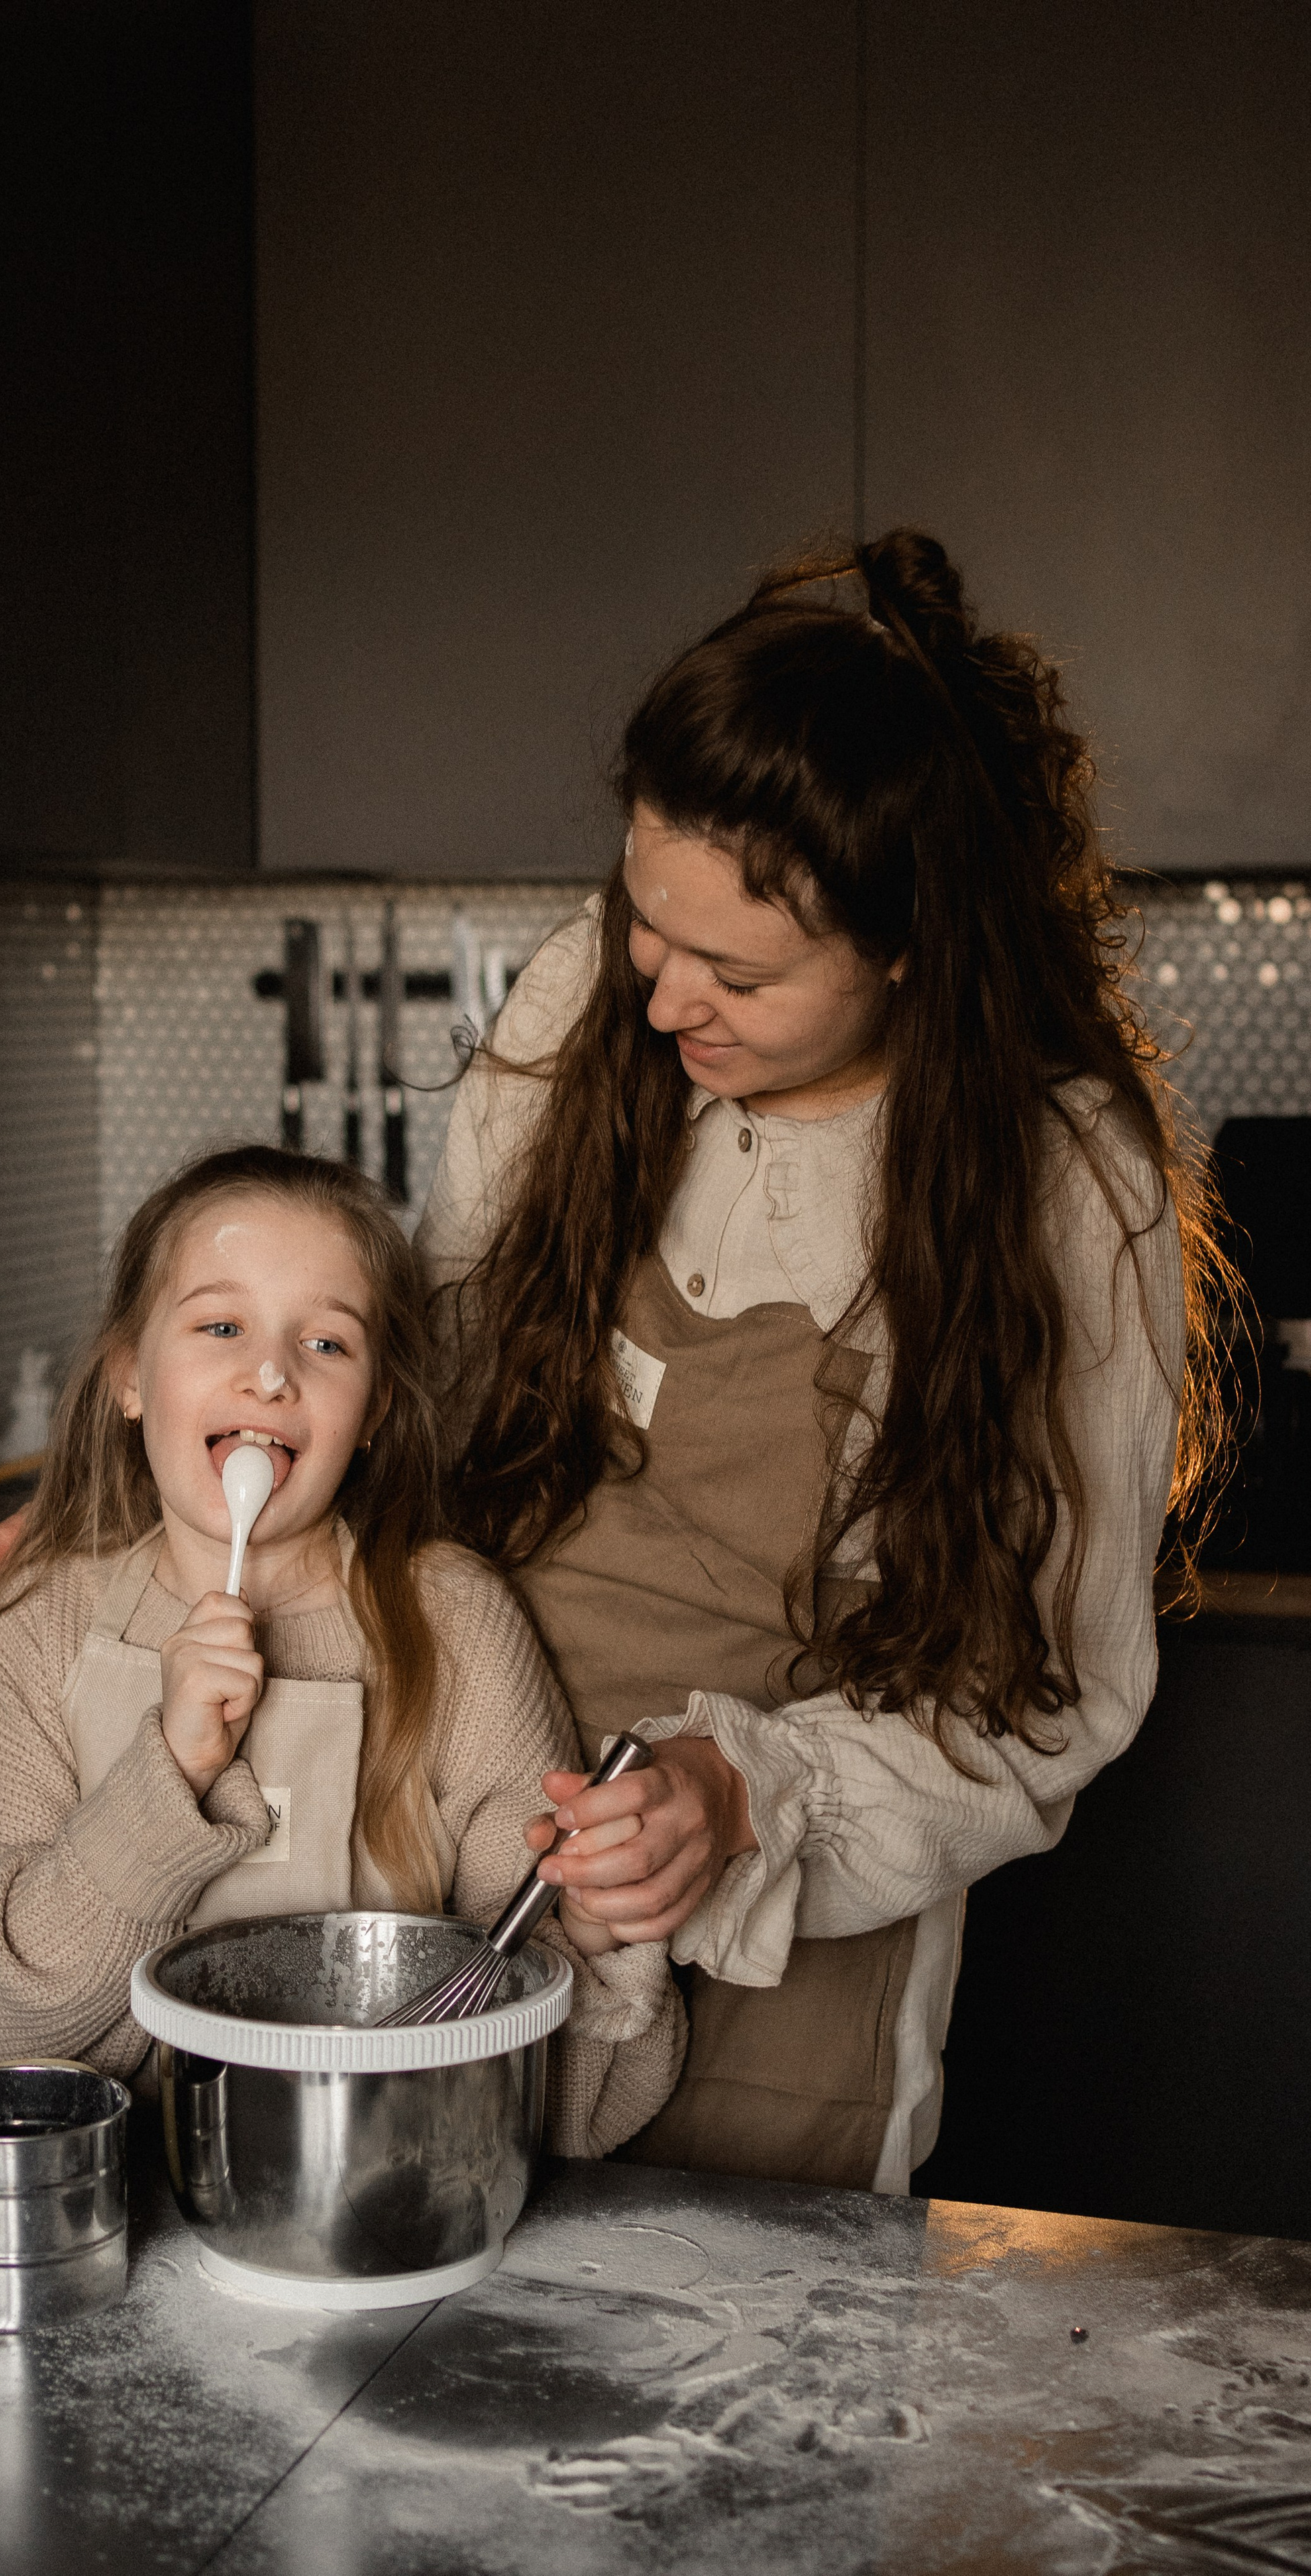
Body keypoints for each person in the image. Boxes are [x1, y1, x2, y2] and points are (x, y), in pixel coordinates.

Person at [409, 529, 1233, 2192]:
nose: (659, 1005)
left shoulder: (1054, 1186)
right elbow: (409, 1416)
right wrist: (127, 1552)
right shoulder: (582, 1010)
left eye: (738, 971)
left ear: (914, 940)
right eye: (649, 927)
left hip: (785, 2014)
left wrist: (735, 1795)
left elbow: (1033, 1701)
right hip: (447, 1887)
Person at [0, 1146, 683, 2155]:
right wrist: (171, 1777)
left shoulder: (456, 1625)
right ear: (129, 1378)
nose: (269, 1374)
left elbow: (570, 2106)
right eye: (221, 1326)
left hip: (397, 2208)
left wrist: (598, 1929)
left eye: (325, 1344)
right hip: (126, 2213)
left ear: (376, 1417)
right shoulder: (41, 1626)